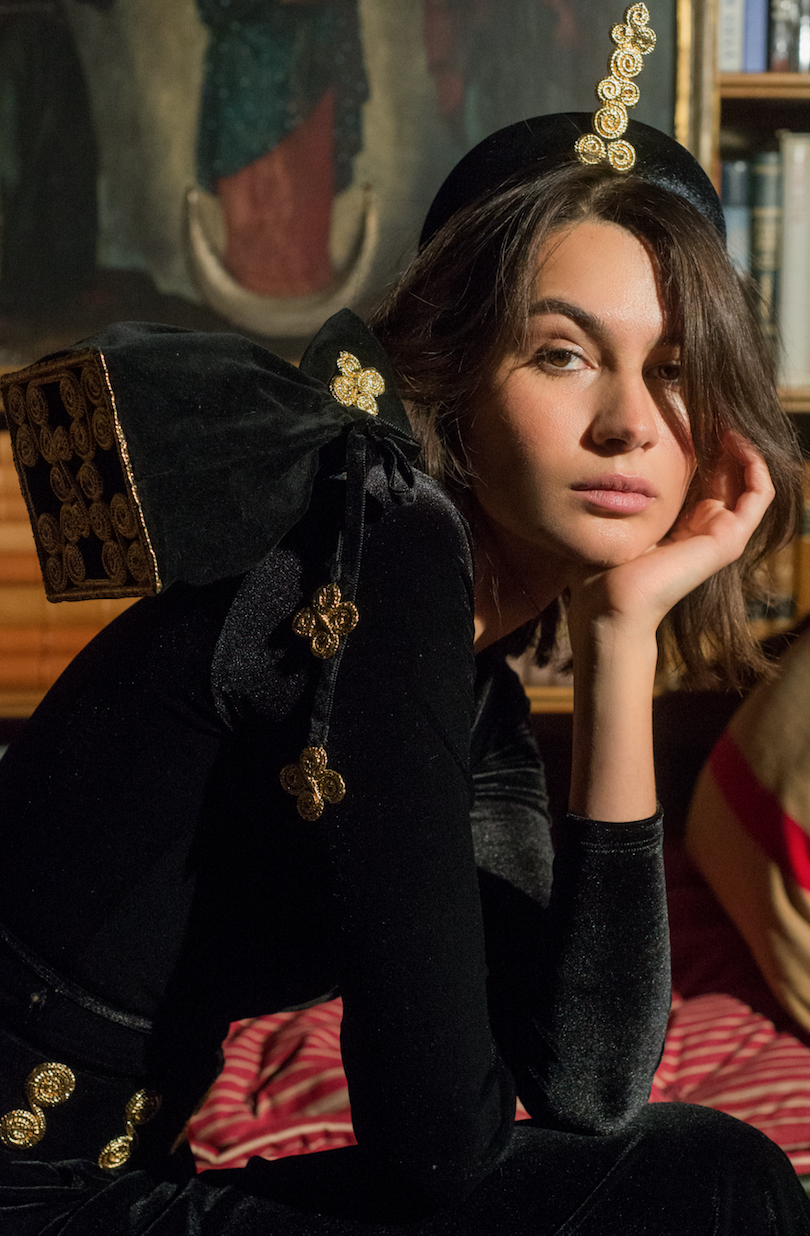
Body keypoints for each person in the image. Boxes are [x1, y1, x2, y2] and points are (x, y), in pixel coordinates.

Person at [1, 7, 809, 1231]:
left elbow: (588, 1082)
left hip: (110, 1174)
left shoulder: (468, 683)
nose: (634, 423)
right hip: (42, 1198)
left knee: (707, 1174)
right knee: (709, 1190)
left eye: (678, 367)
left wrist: (620, 637)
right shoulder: (388, 553)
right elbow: (441, 1147)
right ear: (455, 380)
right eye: (562, 355)